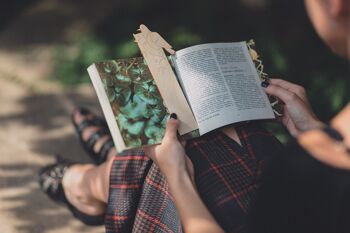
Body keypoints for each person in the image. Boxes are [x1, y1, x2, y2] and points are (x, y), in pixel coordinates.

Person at [143, 0, 350, 232]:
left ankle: (95, 161)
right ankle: (94, 161)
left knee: (136, 161)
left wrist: (177, 175)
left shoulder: (299, 177)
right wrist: (314, 129)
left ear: (336, 5)